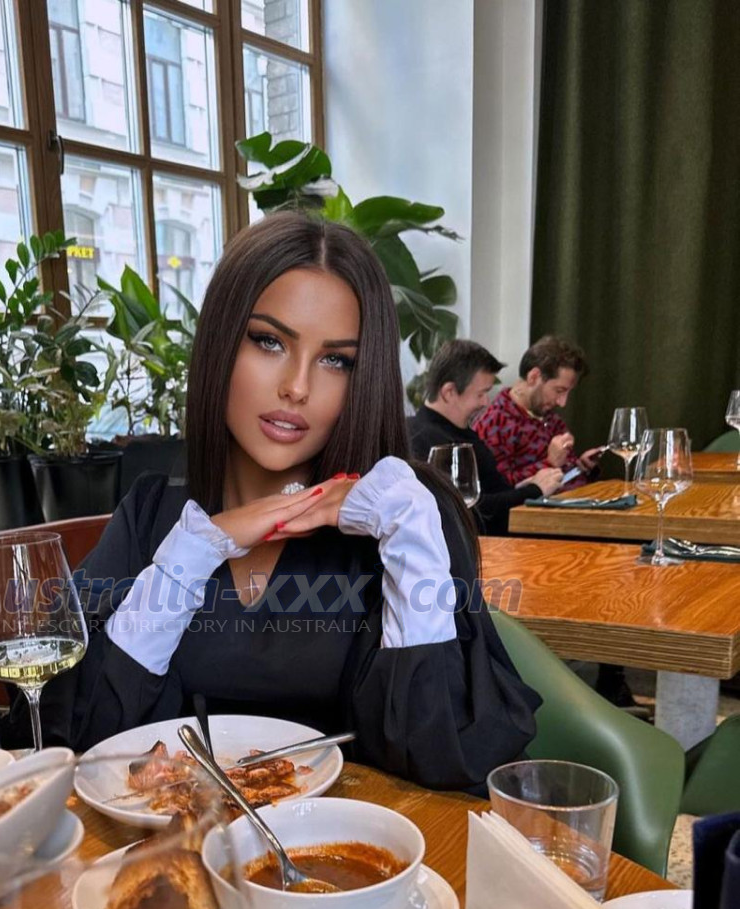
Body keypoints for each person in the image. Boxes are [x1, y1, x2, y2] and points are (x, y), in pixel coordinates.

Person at [30, 211, 540, 791]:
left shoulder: (405, 519)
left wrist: (407, 530)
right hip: (178, 836)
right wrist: (193, 553)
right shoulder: (154, 514)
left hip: (346, 839)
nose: (297, 386)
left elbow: (447, 762)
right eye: (269, 341)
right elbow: (82, 740)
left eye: (335, 360)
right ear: (221, 342)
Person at [408, 339, 564, 535]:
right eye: (481, 394)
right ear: (449, 392)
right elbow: (469, 511)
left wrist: (521, 489)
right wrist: (533, 490)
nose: (486, 402)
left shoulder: (463, 432)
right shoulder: (422, 439)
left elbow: (490, 493)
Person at [473, 336, 605, 487]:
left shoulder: (550, 417)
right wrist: (549, 463)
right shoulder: (495, 423)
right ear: (534, 377)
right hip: (549, 503)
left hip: (582, 497)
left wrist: (581, 467)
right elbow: (496, 489)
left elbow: (566, 475)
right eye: (559, 390)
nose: (562, 403)